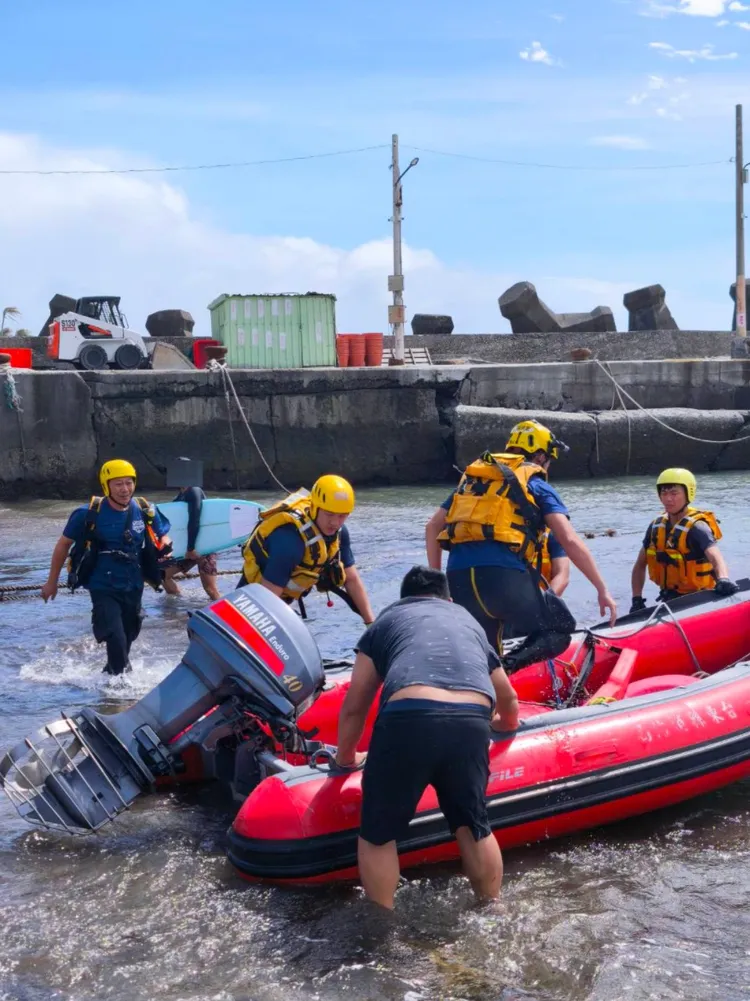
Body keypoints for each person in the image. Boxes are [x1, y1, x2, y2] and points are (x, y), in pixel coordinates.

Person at [335, 566, 519, 910]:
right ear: (448, 598)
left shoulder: (387, 622)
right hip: (471, 719)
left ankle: (384, 926)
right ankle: (492, 907)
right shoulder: (467, 621)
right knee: (474, 824)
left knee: (378, 834)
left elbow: (355, 705)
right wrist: (505, 725)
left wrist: (345, 758)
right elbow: (508, 698)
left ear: (403, 598)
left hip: (409, 716)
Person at [425, 419, 616, 672]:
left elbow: (431, 527)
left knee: (485, 654)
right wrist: (602, 589)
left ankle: (491, 700)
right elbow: (569, 539)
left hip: (458, 578)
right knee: (558, 629)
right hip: (502, 578)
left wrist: (440, 584)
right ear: (539, 456)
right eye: (548, 458)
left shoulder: (472, 482)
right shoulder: (537, 484)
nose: (548, 465)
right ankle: (509, 667)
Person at [40, 459, 172, 676]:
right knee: (115, 635)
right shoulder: (87, 513)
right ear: (106, 486)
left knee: (128, 636)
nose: (124, 489)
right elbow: (63, 545)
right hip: (103, 586)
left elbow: (162, 532)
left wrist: (165, 541)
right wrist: (51, 582)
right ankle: (120, 692)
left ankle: (109, 681)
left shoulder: (145, 509)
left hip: (133, 584)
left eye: (129, 483)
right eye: (118, 484)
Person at [239, 474, 376, 624]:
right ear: (314, 507)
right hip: (250, 604)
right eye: (329, 514)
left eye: (342, 516)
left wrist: (371, 625)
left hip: (281, 602)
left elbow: (351, 580)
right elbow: (266, 602)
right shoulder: (290, 541)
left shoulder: (340, 533)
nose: (335, 522)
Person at [629, 468, 738, 612]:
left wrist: (723, 578)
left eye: (674, 493)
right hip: (669, 599)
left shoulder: (697, 527)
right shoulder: (656, 527)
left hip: (702, 599)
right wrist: (636, 598)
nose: (668, 499)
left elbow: (715, 557)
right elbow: (640, 565)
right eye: (664, 493)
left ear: (688, 494)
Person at [162, 485, 220, 601]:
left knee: (210, 590)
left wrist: (191, 548)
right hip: (186, 549)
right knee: (162, 575)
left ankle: (224, 614)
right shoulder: (181, 495)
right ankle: (178, 607)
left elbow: (195, 519)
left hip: (203, 548)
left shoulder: (194, 490)